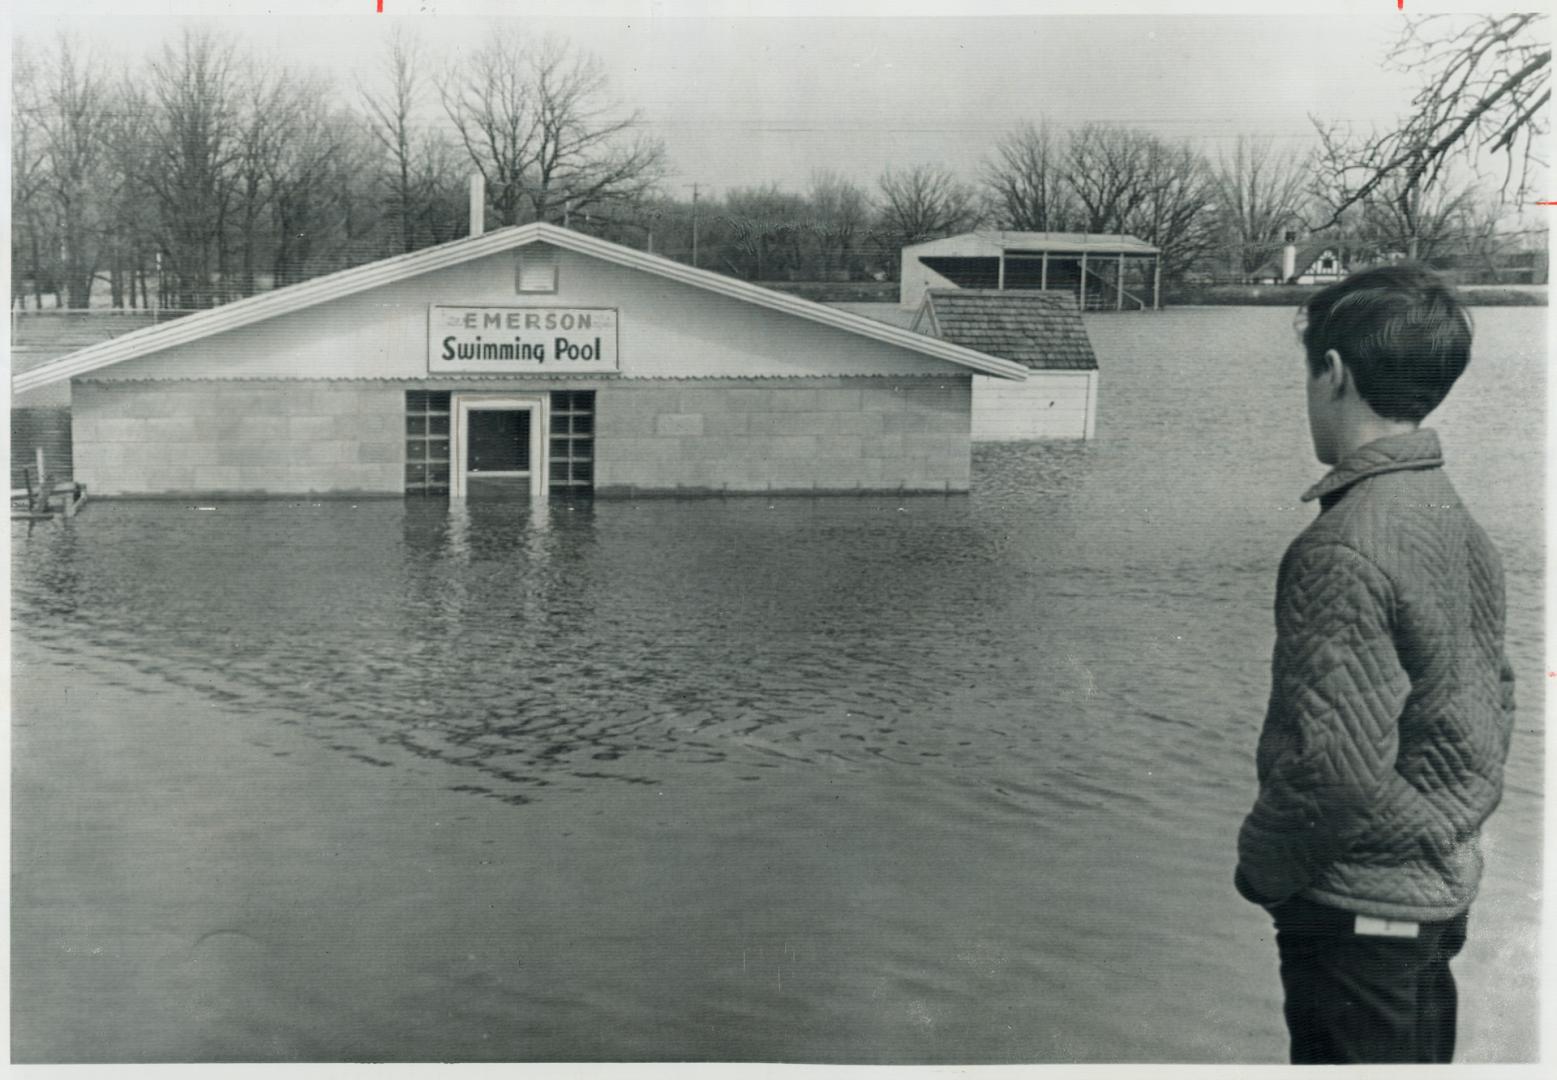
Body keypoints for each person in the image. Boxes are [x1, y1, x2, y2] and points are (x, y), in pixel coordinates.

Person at [1234, 264, 1517, 1064]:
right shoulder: (1452, 515)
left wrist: (1263, 869)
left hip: (1358, 914)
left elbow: (1329, 766)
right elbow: (1496, 694)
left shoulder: (1339, 546)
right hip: (1436, 891)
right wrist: (1448, 828)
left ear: (1331, 373)